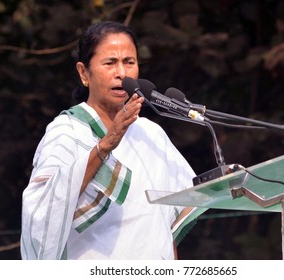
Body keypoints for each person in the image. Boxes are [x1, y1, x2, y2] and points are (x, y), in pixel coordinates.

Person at [20, 21, 203, 260]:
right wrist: (105, 145)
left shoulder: (152, 134)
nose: (122, 73)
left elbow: (166, 227)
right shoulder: (67, 132)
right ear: (84, 73)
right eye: (110, 63)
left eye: (129, 62)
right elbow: (43, 212)